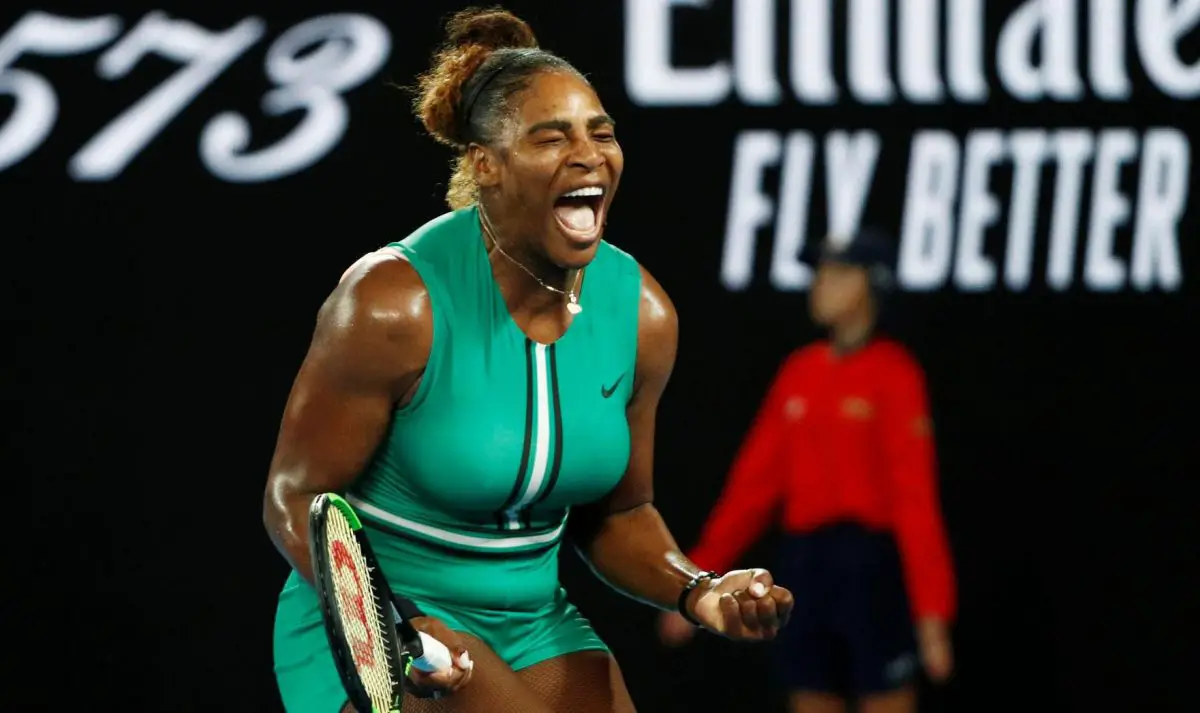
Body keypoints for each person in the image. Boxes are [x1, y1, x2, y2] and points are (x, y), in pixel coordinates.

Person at [263, 7, 794, 713]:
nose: (588, 155)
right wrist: (389, 621)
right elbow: (294, 495)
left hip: (532, 622)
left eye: (601, 133)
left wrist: (699, 591)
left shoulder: (643, 315)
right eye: (551, 138)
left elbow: (619, 513)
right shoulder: (394, 304)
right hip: (384, 630)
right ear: (486, 164)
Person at [658, 230, 956, 713]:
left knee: (887, 696)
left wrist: (931, 615)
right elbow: (751, 490)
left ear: (872, 284)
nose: (821, 285)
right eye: (820, 273)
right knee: (809, 692)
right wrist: (699, 578)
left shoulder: (895, 375)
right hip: (807, 567)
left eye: (838, 273)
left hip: (871, 570)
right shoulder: (799, 372)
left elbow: (915, 501)